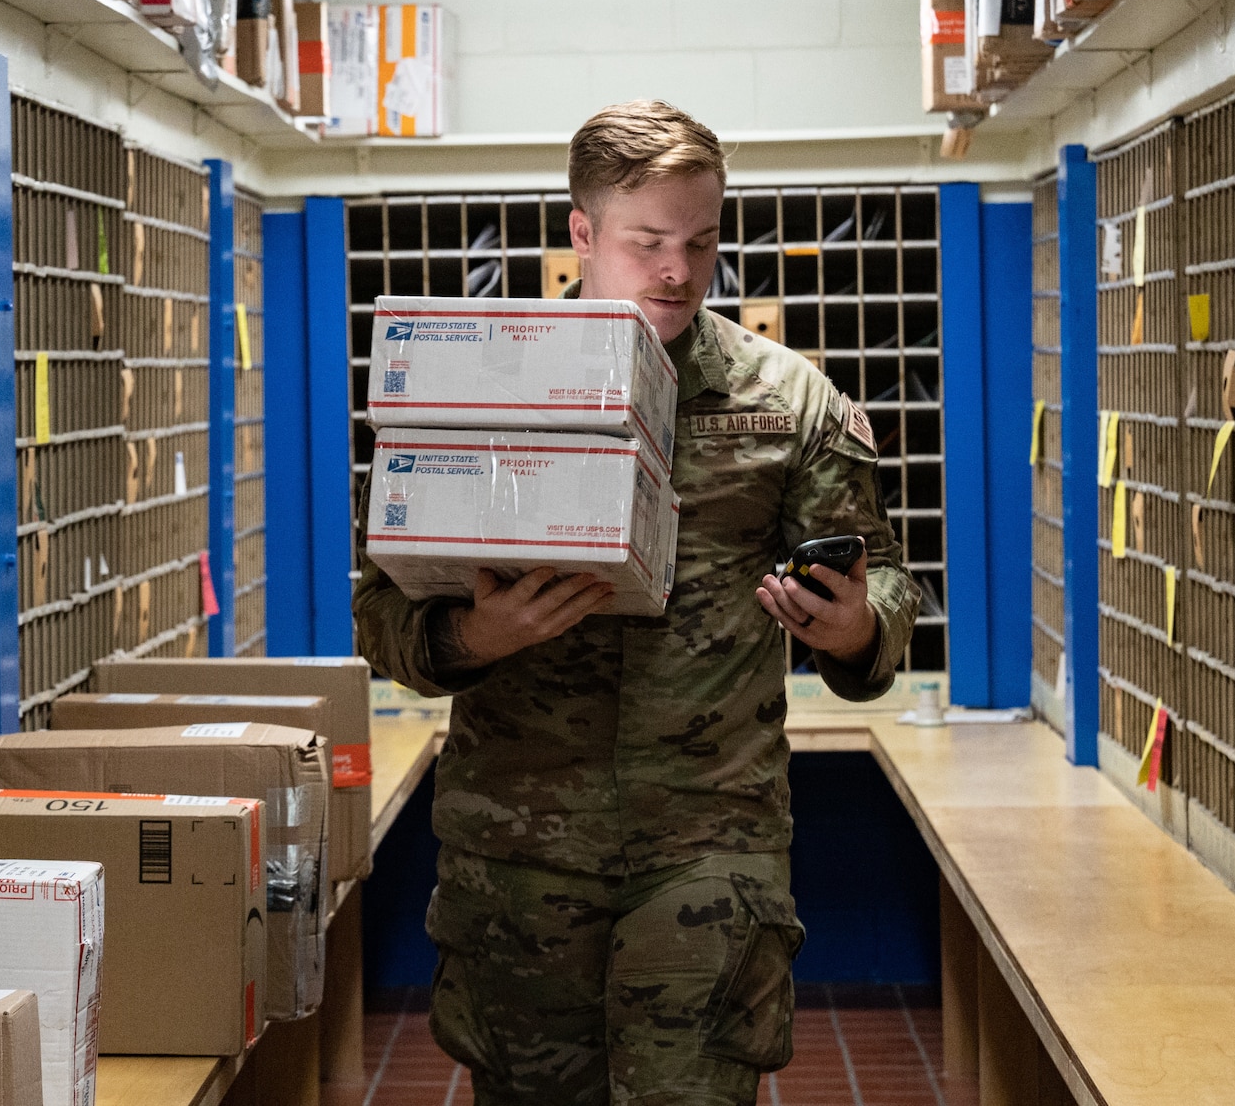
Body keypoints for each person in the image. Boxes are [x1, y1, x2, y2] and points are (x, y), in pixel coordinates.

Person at [353, 99, 921, 1106]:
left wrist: (855, 625)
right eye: (647, 241)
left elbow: (881, 579)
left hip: (706, 843)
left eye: (700, 242)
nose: (676, 270)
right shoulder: (477, 389)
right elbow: (380, 613)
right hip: (520, 848)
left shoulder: (785, 403)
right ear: (580, 233)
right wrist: (470, 634)